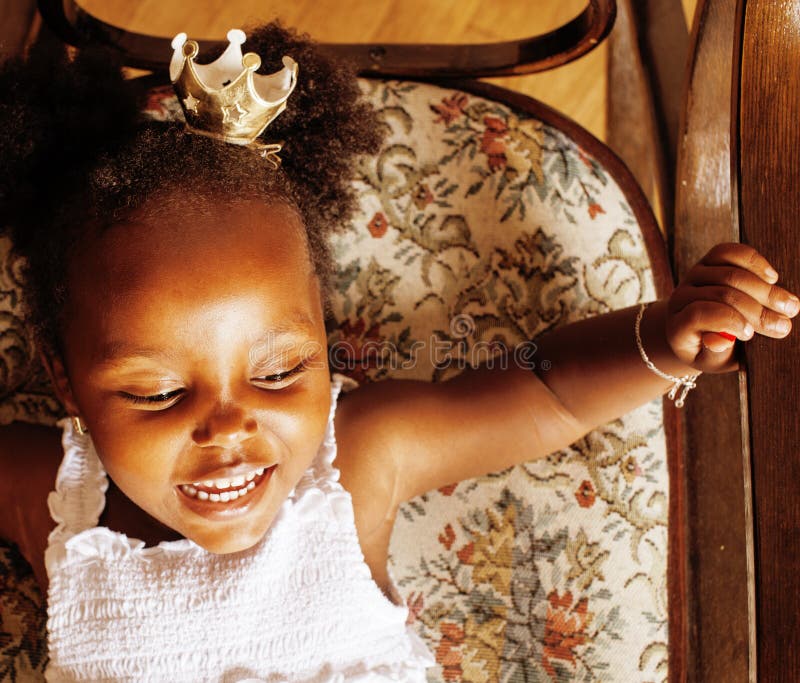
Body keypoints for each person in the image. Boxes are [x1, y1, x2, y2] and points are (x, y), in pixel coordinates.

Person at [0, 20, 796, 683]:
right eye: (156, 394)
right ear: (64, 375)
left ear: (322, 332)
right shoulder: (59, 505)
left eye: (279, 371)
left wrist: (662, 339)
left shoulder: (358, 463)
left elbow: (545, 388)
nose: (228, 427)